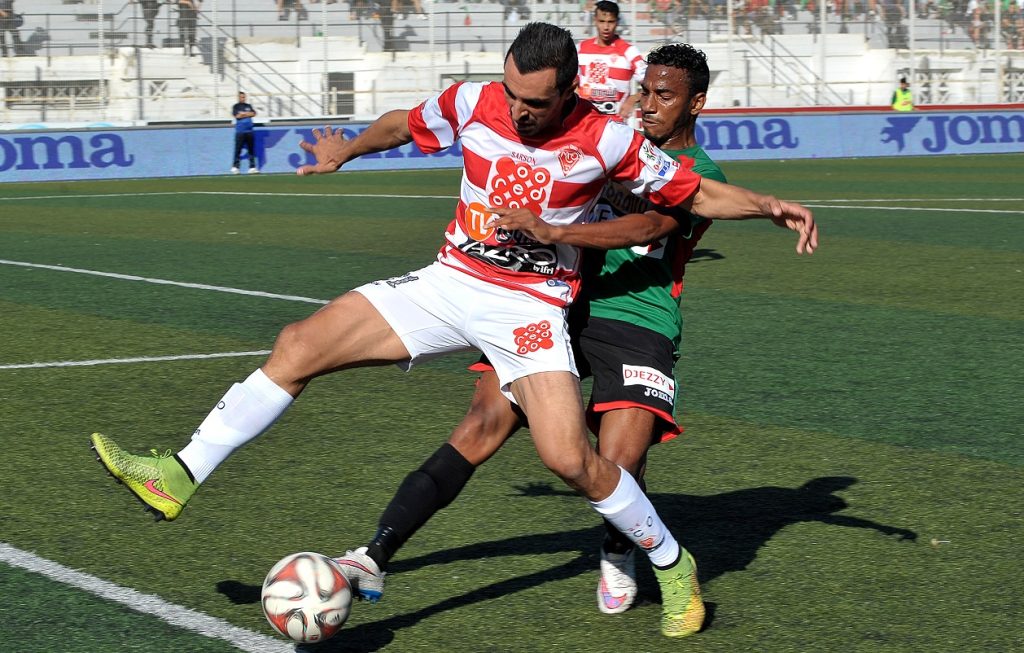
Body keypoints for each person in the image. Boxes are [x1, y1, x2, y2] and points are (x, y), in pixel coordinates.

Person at [90, 22, 817, 638]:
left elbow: (691, 194)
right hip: (449, 283)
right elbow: (405, 124)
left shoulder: (607, 139)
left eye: (536, 103)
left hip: (529, 308)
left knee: (568, 457)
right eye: (512, 95)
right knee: (297, 346)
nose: (520, 112)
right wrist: (346, 148)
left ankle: (670, 560)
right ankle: (178, 474)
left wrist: (769, 203)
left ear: (566, 91)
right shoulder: (474, 101)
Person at [328, 43, 738, 619]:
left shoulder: (698, 175)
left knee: (617, 461)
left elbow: (644, 221)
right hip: (557, 305)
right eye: (643, 91)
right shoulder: (609, 141)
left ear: (696, 103)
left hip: (638, 317)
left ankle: (620, 549)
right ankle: (375, 553)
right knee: (480, 423)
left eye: (663, 96)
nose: (646, 105)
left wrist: (559, 212)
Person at [577, 1, 646, 121]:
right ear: (595, 20)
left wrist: (632, 99)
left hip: (615, 124)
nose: (606, 27)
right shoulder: (580, 49)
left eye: (611, 22)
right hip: (585, 123)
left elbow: (652, 84)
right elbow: (569, 82)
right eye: (602, 21)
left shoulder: (629, 51)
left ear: (617, 22)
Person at [230, 91, 260, 174]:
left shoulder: (248, 106)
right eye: (242, 97)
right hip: (240, 131)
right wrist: (247, 114)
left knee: (251, 150)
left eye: (244, 97)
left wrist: (244, 114)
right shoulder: (236, 106)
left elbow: (254, 113)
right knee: (238, 150)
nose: (243, 98)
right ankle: (235, 167)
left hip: (249, 131)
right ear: (239, 97)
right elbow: (237, 116)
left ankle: (252, 167)